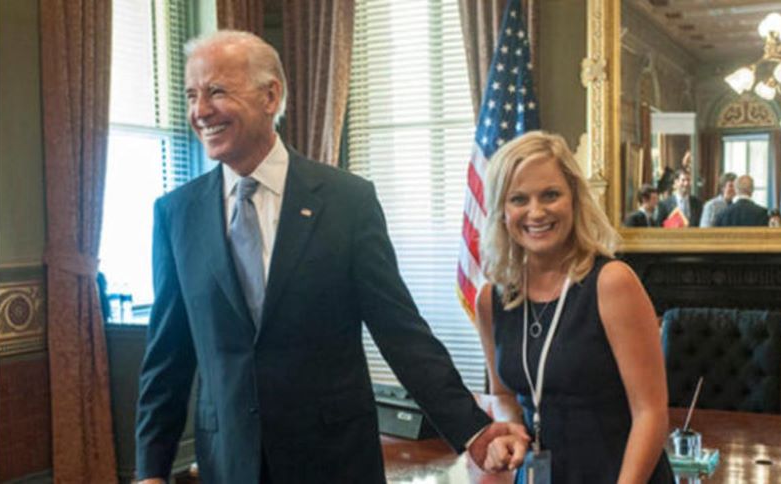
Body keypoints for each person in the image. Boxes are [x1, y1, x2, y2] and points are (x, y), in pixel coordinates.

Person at [134, 30, 527, 484]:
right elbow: (167, 357)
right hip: (229, 463)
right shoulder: (176, 215)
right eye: (191, 95)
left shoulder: (347, 202)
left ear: (270, 95)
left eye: (217, 91)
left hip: (333, 461)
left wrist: (474, 431)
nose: (200, 111)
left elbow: (401, 333)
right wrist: (151, 471)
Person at [474, 131, 673, 482]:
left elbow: (651, 414)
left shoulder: (613, 283)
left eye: (550, 195)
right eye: (518, 199)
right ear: (502, 212)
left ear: (575, 199)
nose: (536, 212)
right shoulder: (492, 298)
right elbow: (504, 393)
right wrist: (509, 431)